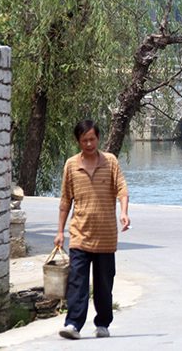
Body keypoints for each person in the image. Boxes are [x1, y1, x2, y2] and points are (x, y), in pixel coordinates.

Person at [55, 120, 131, 340]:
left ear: (98, 139)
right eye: (84, 140)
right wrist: (60, 232)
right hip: (79, 233)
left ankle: (103, 323)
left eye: (92, 139)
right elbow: (65, 201)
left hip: (106, 235)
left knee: (104, 283)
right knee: (77, 280)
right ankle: (73, 324)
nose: (89, 143)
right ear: (78, 141)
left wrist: (124, 213)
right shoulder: (71, 165)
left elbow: (122, 190)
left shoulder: (110, 162)